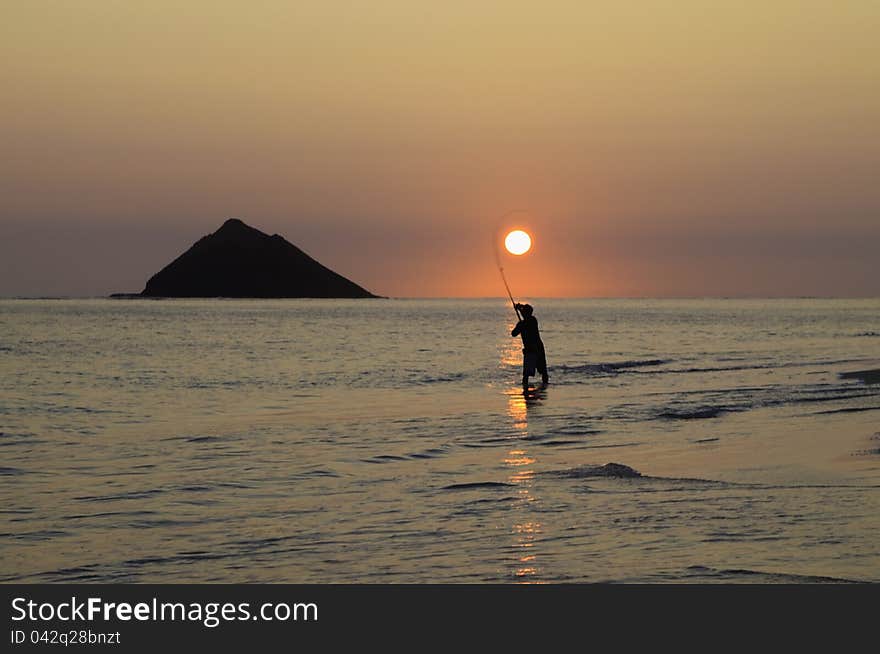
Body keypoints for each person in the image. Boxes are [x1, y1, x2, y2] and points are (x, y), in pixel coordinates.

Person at [511, 303, 549, 389]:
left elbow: (514, 333)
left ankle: (541, 389)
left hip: (535, 349)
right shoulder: (527, 322)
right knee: (528, 374)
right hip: (532, 349)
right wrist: (519, 308)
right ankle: (532, 390)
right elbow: (513, 334)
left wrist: (519, 309)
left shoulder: (531, 321)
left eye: (524, 312)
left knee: (542, 371)